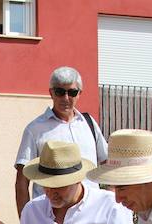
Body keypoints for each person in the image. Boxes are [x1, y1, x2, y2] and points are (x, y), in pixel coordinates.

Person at [14, 66, 108, 216]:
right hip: (50, 215)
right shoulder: (35, 129)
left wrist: (110, 201)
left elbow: (107, 163)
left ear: (79, 94)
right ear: (51, 93)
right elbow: (22, 180)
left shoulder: (89, 124)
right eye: (60, 92)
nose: (66, 98)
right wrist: (26, 220)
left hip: (91, 212)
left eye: (72, 92)